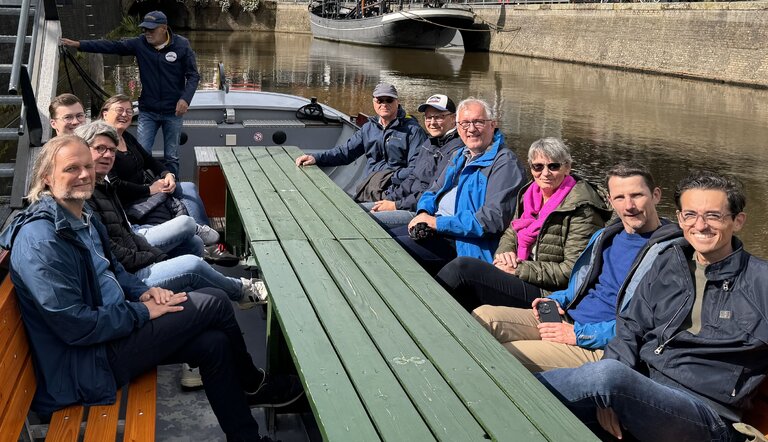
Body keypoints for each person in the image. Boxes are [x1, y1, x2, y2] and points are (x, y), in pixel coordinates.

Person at [0, 135, 302, 442]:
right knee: (214, 302)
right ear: (47, 179)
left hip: (113, 330)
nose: (84, 174)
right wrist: (141, 312)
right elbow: (76, 327)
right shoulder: (41, 243)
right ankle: (252, 385)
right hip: (87, 362)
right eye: (72, 168)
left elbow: (113, 268)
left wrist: (141, 291)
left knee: (214, 345)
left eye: (88, 166)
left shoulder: (80, 214)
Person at [537, 170, 767, 442]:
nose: (700, 225)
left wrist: (613, 384)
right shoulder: (670, 262)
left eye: (714, 215)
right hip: (643, 388)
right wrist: (608, 400)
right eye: (690, 215)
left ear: (738, 221)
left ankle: (503, 390)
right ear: (680, 218)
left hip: (707, 413)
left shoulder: (759, 281)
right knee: (548, 415)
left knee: (605, 375)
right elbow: (629, 329)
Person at [473, 163, 682, 372]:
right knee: (482, 319)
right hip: (567, 318)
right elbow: (581, 286)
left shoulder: (670, 253)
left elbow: (647, 325)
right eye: (619, 198)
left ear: (655, 195)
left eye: (636, 195)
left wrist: (579, 334)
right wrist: (556, 299)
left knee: (506, 354)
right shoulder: (606, 236)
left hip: (602, 344)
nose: (629, 206)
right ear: (610, 201)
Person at [436, 137, 611, 311]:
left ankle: (428, 315)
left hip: (548, 293)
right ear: (531, 167)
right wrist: (504, 253)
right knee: (463, 278)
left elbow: (573, 271)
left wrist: (519, 269)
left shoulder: (583, 208)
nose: (545, 173)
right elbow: (512, 232)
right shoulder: (530, 193)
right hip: (523, 273)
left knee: (462, 269)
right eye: (538, 166)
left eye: (553, 166)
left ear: (567, 167)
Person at [392, 98, 526, 275]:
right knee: (381, 239)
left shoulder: (505, 164)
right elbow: (432, 191)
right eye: (464, 124)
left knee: (392, 252)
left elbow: (492, 220)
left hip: (463, 243)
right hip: (436, 227)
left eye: (478, 122)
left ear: (492, 124)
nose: (471, 129)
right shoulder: (460, 155)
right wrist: (423, 212)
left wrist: (436, 223)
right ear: (457, 127)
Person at [96, 94, 233, 264]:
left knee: (188, 187)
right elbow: (115, 184)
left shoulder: (127, 138)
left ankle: (204, 237)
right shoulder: (103, 148)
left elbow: (151, 161)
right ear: (104, 114)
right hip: (133, 201)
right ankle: (198, 233)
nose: (125, 114)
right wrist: (149, 189)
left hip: (147, 192)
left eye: (129, 111)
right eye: (119, 110)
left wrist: (168, 175)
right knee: (176, 204)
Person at [61, 10, 199, 175]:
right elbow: (112, 46)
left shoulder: (181, 45)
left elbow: (193, 75)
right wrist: (79, 44)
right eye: (145, 29)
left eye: (151, 30)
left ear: (164, 28)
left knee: (172, 156)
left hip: (173, 112)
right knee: (140, 153)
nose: (147, 33)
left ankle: (173, 189)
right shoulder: (140, 44)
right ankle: (143, 187)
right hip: (148, 110)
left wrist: (185, 99)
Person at [295, 83, 427, 202]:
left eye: (389, 100)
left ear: (397, 102)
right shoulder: (369, 128)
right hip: (369, 187)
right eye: (380, 100)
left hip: (396, 192)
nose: (384, 104)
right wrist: (315, 157)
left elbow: (416, 169)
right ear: (374, 102)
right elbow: (345, 153)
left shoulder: (413, 131)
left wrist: (389, 178)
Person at [362, 94, 463, 228]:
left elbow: (433, 192)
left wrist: (396, 205)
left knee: (365, 221)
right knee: (355, 210)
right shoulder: (429, 143)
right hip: (406, 202)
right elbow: (412, 178)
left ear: (453, 118)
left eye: (439, 117)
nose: (432, 122)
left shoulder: (456, 149)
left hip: (420, 211)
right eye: (428, 117)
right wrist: (389, 199)